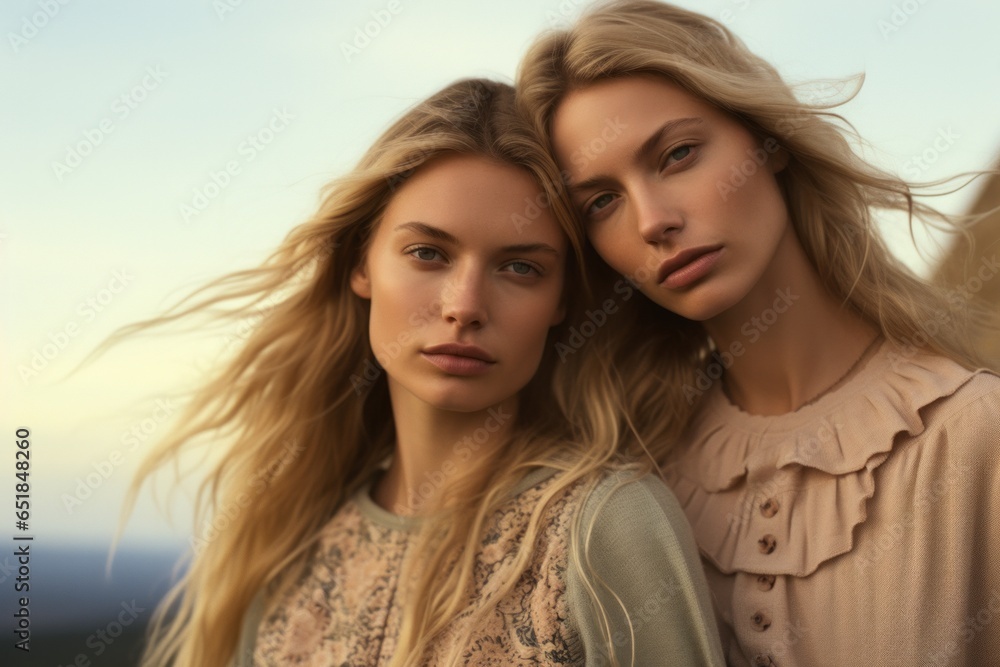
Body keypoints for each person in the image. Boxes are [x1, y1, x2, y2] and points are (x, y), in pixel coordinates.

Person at [110, 78, 724, 666]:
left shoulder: (605, 525)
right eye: (428, 253)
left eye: (520, 268)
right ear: (361, 265)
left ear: (562, 302)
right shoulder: (286, 552)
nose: (465, 305)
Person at [516, 2, 1000, 665]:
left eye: (678, 153)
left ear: (766, 141)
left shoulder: (975, 433)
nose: (653, 220)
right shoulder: (632, 476)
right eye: (602, 201)